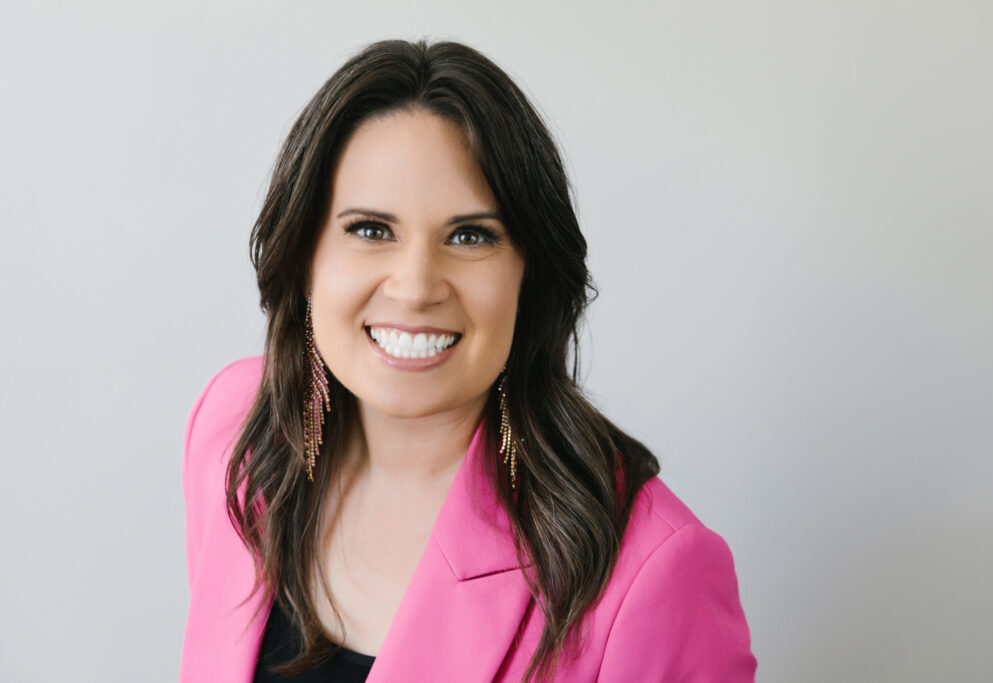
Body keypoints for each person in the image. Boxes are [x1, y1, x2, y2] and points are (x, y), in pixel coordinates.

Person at [180, 39, 756, 683]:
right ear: (305, 255)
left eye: (470, 236)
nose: (417, 285)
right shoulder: (235, 427)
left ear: (529, 275)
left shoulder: (652, 573)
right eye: (371, 229)